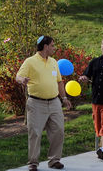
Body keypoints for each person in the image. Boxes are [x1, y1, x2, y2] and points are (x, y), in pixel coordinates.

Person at [16, 36, 72, 171]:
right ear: (45, 46)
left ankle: (54, 160)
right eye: (52, 45)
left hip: (54, 102)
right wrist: (22, 79)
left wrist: (64, 98)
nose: (54, 48)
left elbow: (59, 81)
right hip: (36, 103)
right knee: (35, 133)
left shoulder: (53, 62)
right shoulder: (30, 62)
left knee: (58, 130)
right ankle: (33, 163)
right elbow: (18, 76)